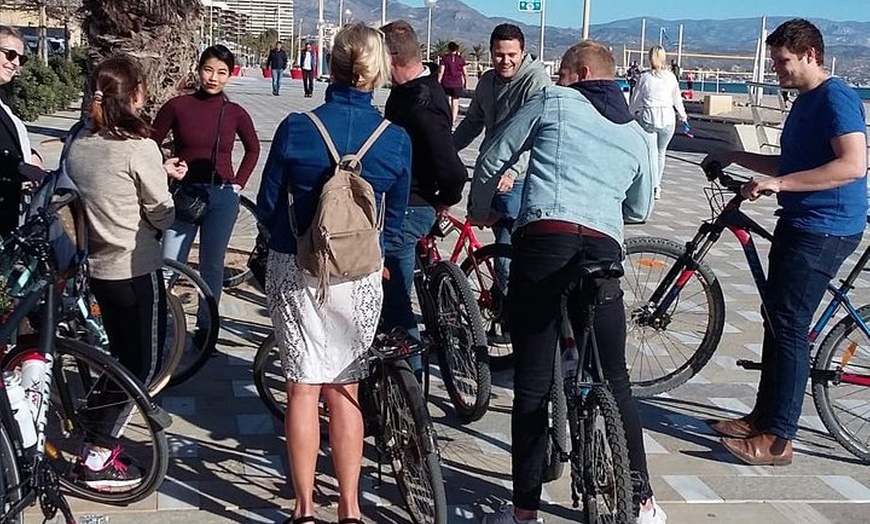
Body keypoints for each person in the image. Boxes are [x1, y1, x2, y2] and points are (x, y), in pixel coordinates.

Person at [470, 40, 664, 524]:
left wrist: (479, 212)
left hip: (543, 245)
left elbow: (495, 156)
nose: (556, 80)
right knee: (615, 378)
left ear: (579, 73)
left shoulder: (554, 101)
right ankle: (642, 503)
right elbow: (640, 209)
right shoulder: (637, 132)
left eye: (560, 72)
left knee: (534, 385)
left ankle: (524, 513)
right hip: (602, 252)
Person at [256, 22, 411, 524]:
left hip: (297, 266)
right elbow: (398, 216)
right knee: (346, 387)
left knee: (302, 388)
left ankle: (303, 510)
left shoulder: (297, 127)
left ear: (332, 64)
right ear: (378, 69)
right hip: (360, 274)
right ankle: (350, 508)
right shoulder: (394, 139)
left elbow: (267, 203)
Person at [703, 18, 867, 467]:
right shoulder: (805, 101)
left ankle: (779, 440)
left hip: (826, 227)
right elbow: (790, 161)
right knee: (777, 318)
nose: (776, 70)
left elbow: (854, 165)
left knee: (790, 325)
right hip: (804, 221)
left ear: (811, 55)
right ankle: (763, 416)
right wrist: (736, 156)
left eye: (782, 62)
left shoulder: (836, 98)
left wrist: (781, 184)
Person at [66, 54, 187, 488]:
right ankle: (96, 454)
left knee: (120, 357)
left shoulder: (80, 141)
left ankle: (92, 432)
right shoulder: (139, 147)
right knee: (143, 365)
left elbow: (109, 189)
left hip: (98, 267)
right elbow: (161, 215)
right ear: (135, 94)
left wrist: (157, 174)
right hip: (136, 266)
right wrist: (166, 183)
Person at [380, 20, 467, 373]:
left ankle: (410, 384)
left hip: (412, 205)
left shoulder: (420, 101)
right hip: (408, 199)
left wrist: (444, 198)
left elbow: (451, 168)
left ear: (390, 58)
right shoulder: (411, 91)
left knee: (395, 297)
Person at [152, 45, 260, 323]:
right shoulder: (177, 106)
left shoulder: (234, 112)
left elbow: (253, 149)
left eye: (221, 72)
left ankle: (206, 329)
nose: (214, 77)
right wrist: (164, 165)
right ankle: (158, 328)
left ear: (229, 75)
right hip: (185, 195)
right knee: (169, 264)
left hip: (222, 197)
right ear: (199, 70)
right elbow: (150, 144)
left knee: (212, 266)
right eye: (209, 70)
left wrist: (238, 183)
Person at [453, 23, 550, 299]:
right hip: (491, 173)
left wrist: (513, 171)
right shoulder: (486, 81)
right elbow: (472, 123)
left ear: (522, 52)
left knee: (507, 253)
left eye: (511, 54)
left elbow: (537, 136)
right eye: (498, 54)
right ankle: (501, 303)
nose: (505, 61)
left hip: (518, 179)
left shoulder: (536, 82)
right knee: (499, 247)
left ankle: (512, 317)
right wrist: (447, 151)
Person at [629, 45, 688, 200]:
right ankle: (656, 185)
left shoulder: (644, 77)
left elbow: (635, 100)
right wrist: (683, 116)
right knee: (661, 153)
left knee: (650, 153)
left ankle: (649, 184)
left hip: (649, 117)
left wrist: (630, 113)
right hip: (668, 118)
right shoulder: (670, 77)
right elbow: (677, 99)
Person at [0, 25, 43, 236]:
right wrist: (20, 168)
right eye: (10, 54)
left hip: (9, 205)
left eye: (21, 59)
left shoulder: (3, 95)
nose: (15, 63)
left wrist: (32, 155)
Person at [438, 41, 467, 126]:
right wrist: (465, 82)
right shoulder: (461, 59)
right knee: (455, 101)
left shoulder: (445, 58)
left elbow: (441, 71)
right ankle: (453, 120)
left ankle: (447, 118)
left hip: (446, 82)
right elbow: (465, 72)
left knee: (447, 100)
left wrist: (438, 81)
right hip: (457, 83)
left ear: (448, 48)